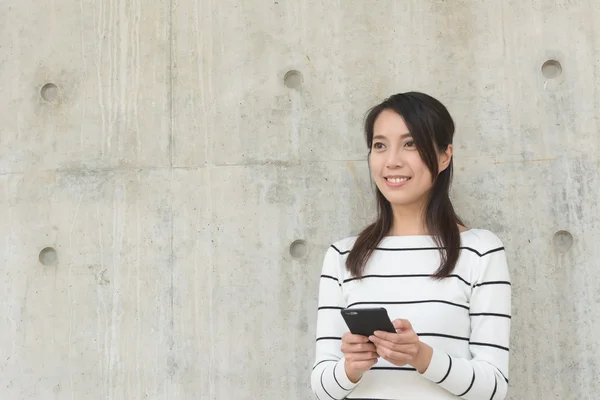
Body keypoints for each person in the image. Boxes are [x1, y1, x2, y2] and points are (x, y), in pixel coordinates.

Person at [310, 92, 511, 400]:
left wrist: (421, 356)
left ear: (444, 156)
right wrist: (349, 368)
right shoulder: (342, 256)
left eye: (411, 143)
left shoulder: (479, 250)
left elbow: (493, 387)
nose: (392, 161)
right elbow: (322, 387)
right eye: (380, 145)